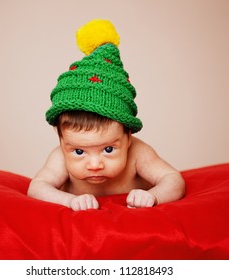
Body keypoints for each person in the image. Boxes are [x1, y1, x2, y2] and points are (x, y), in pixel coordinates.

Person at [27, 19, 185, 211]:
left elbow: (173, 179)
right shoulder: (59, 158)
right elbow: (37, 187)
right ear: (61, 140)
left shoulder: (138, 153)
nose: (95, 165)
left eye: (108, 149)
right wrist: (68, 200)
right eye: (79, 152)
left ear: (128, 137)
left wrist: (153, 196)